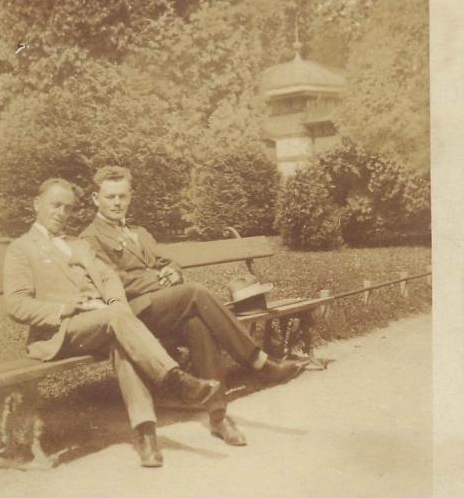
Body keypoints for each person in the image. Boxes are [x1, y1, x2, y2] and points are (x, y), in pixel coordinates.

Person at [80, 166, 308, 448]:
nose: (117, 203)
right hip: (131, 316)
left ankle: (218, 417)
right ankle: (258, 362)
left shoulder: (139, 232)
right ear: (95, 199)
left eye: (122, 196)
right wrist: (157, 280)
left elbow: (167, 261)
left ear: (130, 197)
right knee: (196, 293)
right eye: (110, 196)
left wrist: (173, 272)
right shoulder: (89, 238)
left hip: (159, 309)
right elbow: (111, 281)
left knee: (198, 323)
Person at [3, 178, 221, 468]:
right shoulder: (21, 248)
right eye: (55, 205)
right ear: (36, 205)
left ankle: (147, 436)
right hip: (60, 331)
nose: (61, 213)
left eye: (67, 208)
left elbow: (108, 277)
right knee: (117, 321)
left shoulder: (77, 244)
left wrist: (116, 305)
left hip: (104, 321)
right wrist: (68, 307)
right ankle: (175, 380)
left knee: (121, 336)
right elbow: (16, 304)